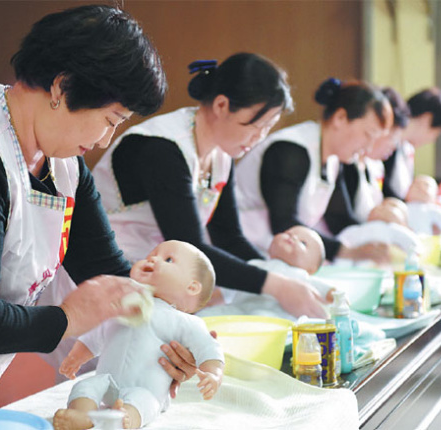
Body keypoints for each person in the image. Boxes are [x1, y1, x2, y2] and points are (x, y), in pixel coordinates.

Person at [0, 5, 174, 417]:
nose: (106, 140)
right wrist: (67, 319)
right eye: (110, 119)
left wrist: (167, 329)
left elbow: (105, 268)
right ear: (62, 87)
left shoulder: (61, 162)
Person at [92, 53, 327, 319]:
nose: (259, 137)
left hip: (157, 280)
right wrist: (276, 285)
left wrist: (279, 275)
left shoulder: (221, 152)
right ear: (221, 105)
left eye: (268, 128)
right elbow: (192, 245)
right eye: (255, 125)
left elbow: (229, 237)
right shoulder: (162, 148)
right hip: (109, 276)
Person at [53, 241, 224, 430]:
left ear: (192, 287)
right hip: (106, 382)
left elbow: (208, 348)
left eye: (168, 259)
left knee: (145, 402)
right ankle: (81, 417)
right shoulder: (126, 304)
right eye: (152, 254)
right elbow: (100, 331)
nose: (152, 258)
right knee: (85, 386)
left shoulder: (183, 321)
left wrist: (212, 374)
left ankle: (124, 420)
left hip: (145, 389)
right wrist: (78, 355)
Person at [235, 77, 393, 265]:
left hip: (274, 257)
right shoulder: (291, 150)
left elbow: (338, 218)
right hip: (243, 253)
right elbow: (284, 223)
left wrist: (375, 241)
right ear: (340, 118)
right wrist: (349, 251)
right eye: (368, 135)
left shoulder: (333, 159)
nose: (368, 148)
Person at [338, 87, 411, 221]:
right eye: (392, 138)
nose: (393, 147)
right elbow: (341, 220)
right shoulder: (345, 163)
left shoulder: (374, 166)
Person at [383, 87, 441, 200]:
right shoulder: (385, 145)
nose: (432, 140)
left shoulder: (406, 149)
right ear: (427, 119)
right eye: (436, 134)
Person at [337, 199, 420, 254]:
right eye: (381, 206)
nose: (383, 208)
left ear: (404, 224)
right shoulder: (354, 230)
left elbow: (416, 251)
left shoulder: (402, 233)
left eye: (392, 207)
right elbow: (338, 246)